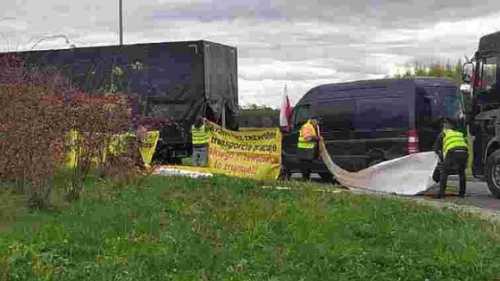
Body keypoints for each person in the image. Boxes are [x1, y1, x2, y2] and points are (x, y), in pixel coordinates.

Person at [433, 118, 469, 199]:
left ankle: (441, 194)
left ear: (446, 126)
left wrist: (441, 160)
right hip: (464, 152)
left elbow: (436, 149)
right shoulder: (459, 133)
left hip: (452, 152)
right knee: (461, 172)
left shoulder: (443, 133)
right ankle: (462, 193)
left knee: (444, 172)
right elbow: (465, 143)